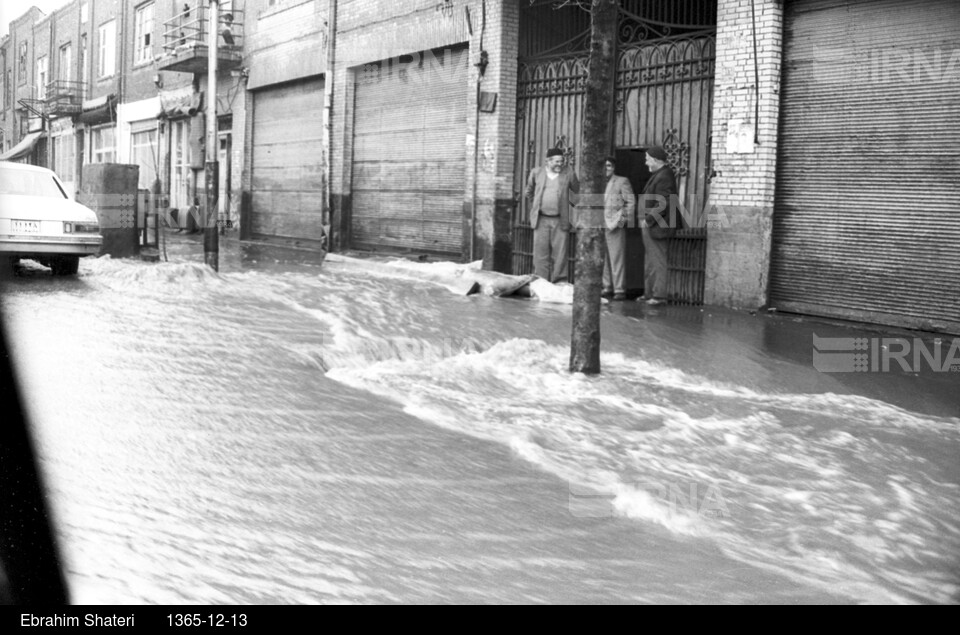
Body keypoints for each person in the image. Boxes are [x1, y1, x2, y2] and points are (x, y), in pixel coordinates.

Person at [524, 147, 579, 283]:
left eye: (562, 161)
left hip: (560, 219)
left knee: (560, 253)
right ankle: (541, 281)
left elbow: (578, 191)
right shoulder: (536, 173)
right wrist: (537, 205)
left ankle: (559, 281)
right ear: (547, 161)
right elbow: (529, 192)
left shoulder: (568, 173)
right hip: (541, 219)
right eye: (556, 161)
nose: (560, 164)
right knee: (540, 254)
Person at [638, 146, 678, 305]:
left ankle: (659, 296)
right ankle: (649, 293)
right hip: (651, 225)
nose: (646, 162)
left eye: (647, 158)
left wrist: (648, 220)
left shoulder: (664, 176)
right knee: (650, 260)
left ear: (655, 160)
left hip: (656, 225)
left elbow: (664, 202)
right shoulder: (659, 175)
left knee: (657, 260)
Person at [601, 157, 635, 301]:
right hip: (599, 224)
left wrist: (622, 220)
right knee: (603, 258)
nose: (606, 169)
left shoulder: (622, 181)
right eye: (604, 166)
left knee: (617, 257)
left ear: (613, 167)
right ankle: (607, 287)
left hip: (615, 224)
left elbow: (631, 202)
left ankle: (619, 289)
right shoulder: (598, 182)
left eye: (609, 166)